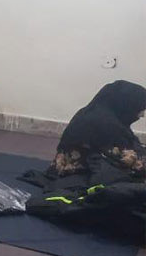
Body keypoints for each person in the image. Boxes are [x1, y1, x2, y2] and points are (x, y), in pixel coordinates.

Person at [23, 80, 146, 228]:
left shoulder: (95, 112)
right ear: (125, 105)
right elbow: (131, 161)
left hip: (65, 167)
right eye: (139, 109)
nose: (141, 115)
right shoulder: (106, 124)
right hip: (79, 173)